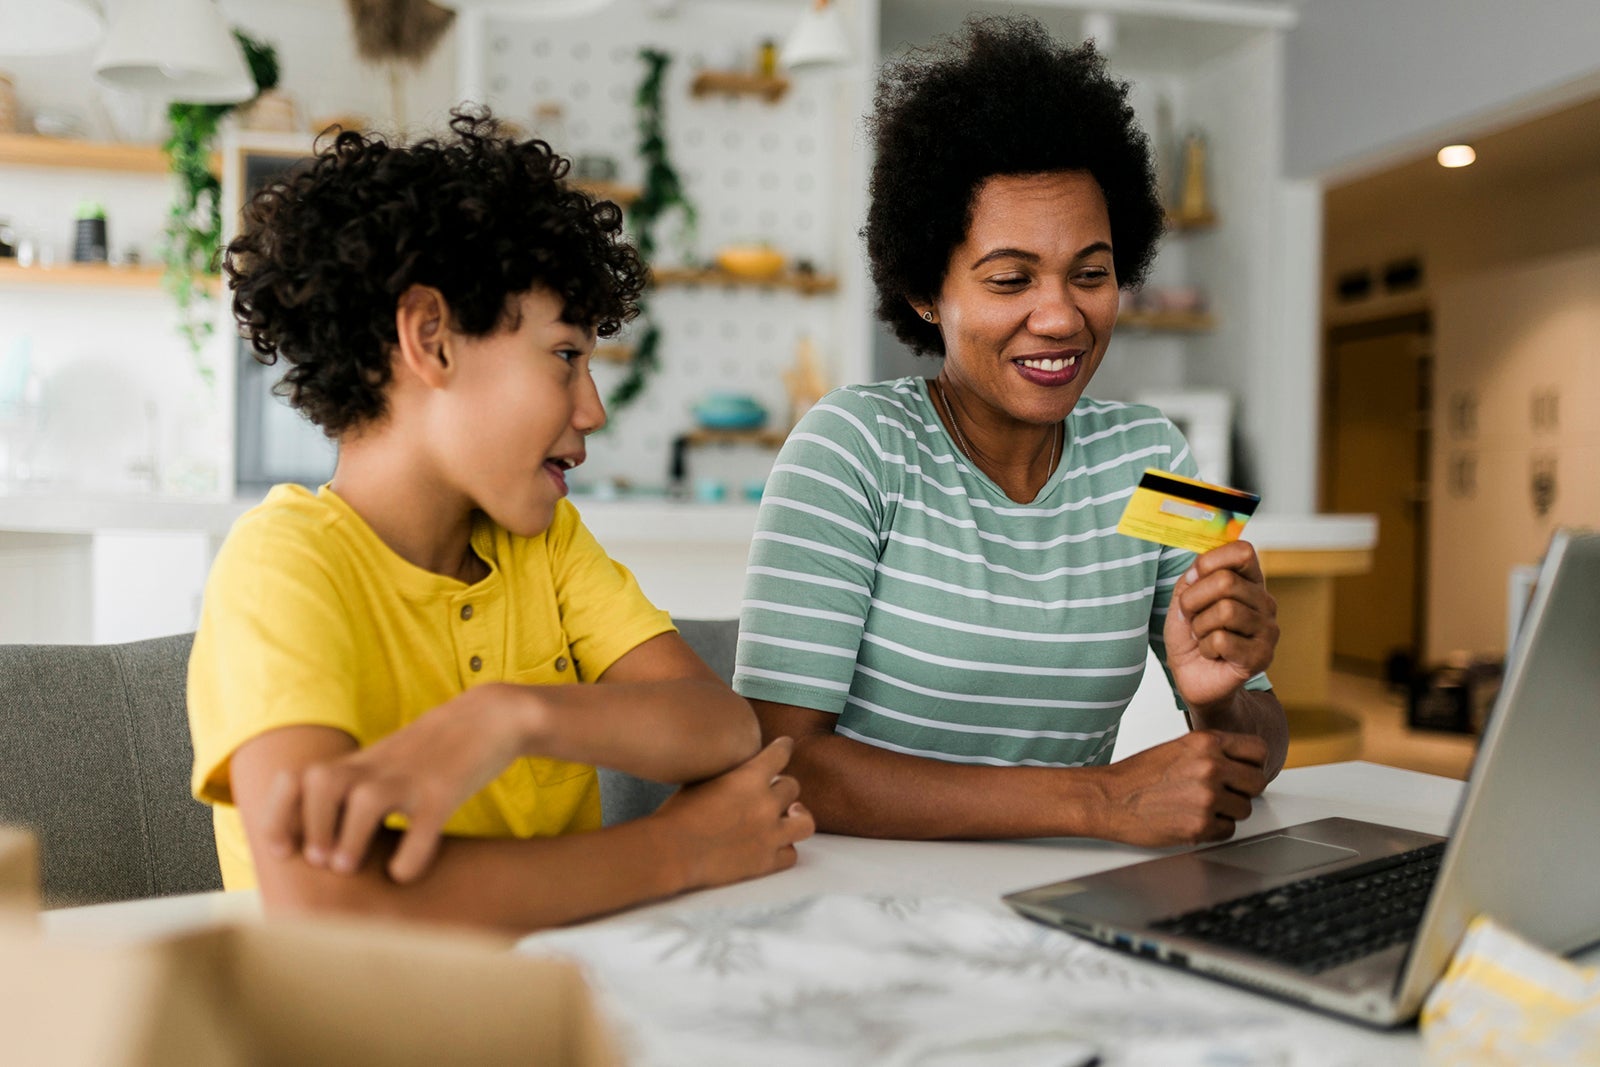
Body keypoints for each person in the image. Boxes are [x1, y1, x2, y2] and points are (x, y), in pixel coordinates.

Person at [187, 110, 813, 930]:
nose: (592, 408)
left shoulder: (543, 542)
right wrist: (680, 849)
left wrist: (513, 716)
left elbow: (724, 726)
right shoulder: (283, 566)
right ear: (431, 338)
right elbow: (325, 896)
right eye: (564, 356)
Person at [733, 17, 1287, 846]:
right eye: (1010, 278)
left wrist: (1218, 696)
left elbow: (1259, 744)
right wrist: (1097, 801)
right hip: (866, 898)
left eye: (1091, 274)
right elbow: (784, 761)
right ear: (927, 290)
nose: (1061, 316)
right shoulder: (849, 447)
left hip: (1065, 899)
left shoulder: (1158, 461)